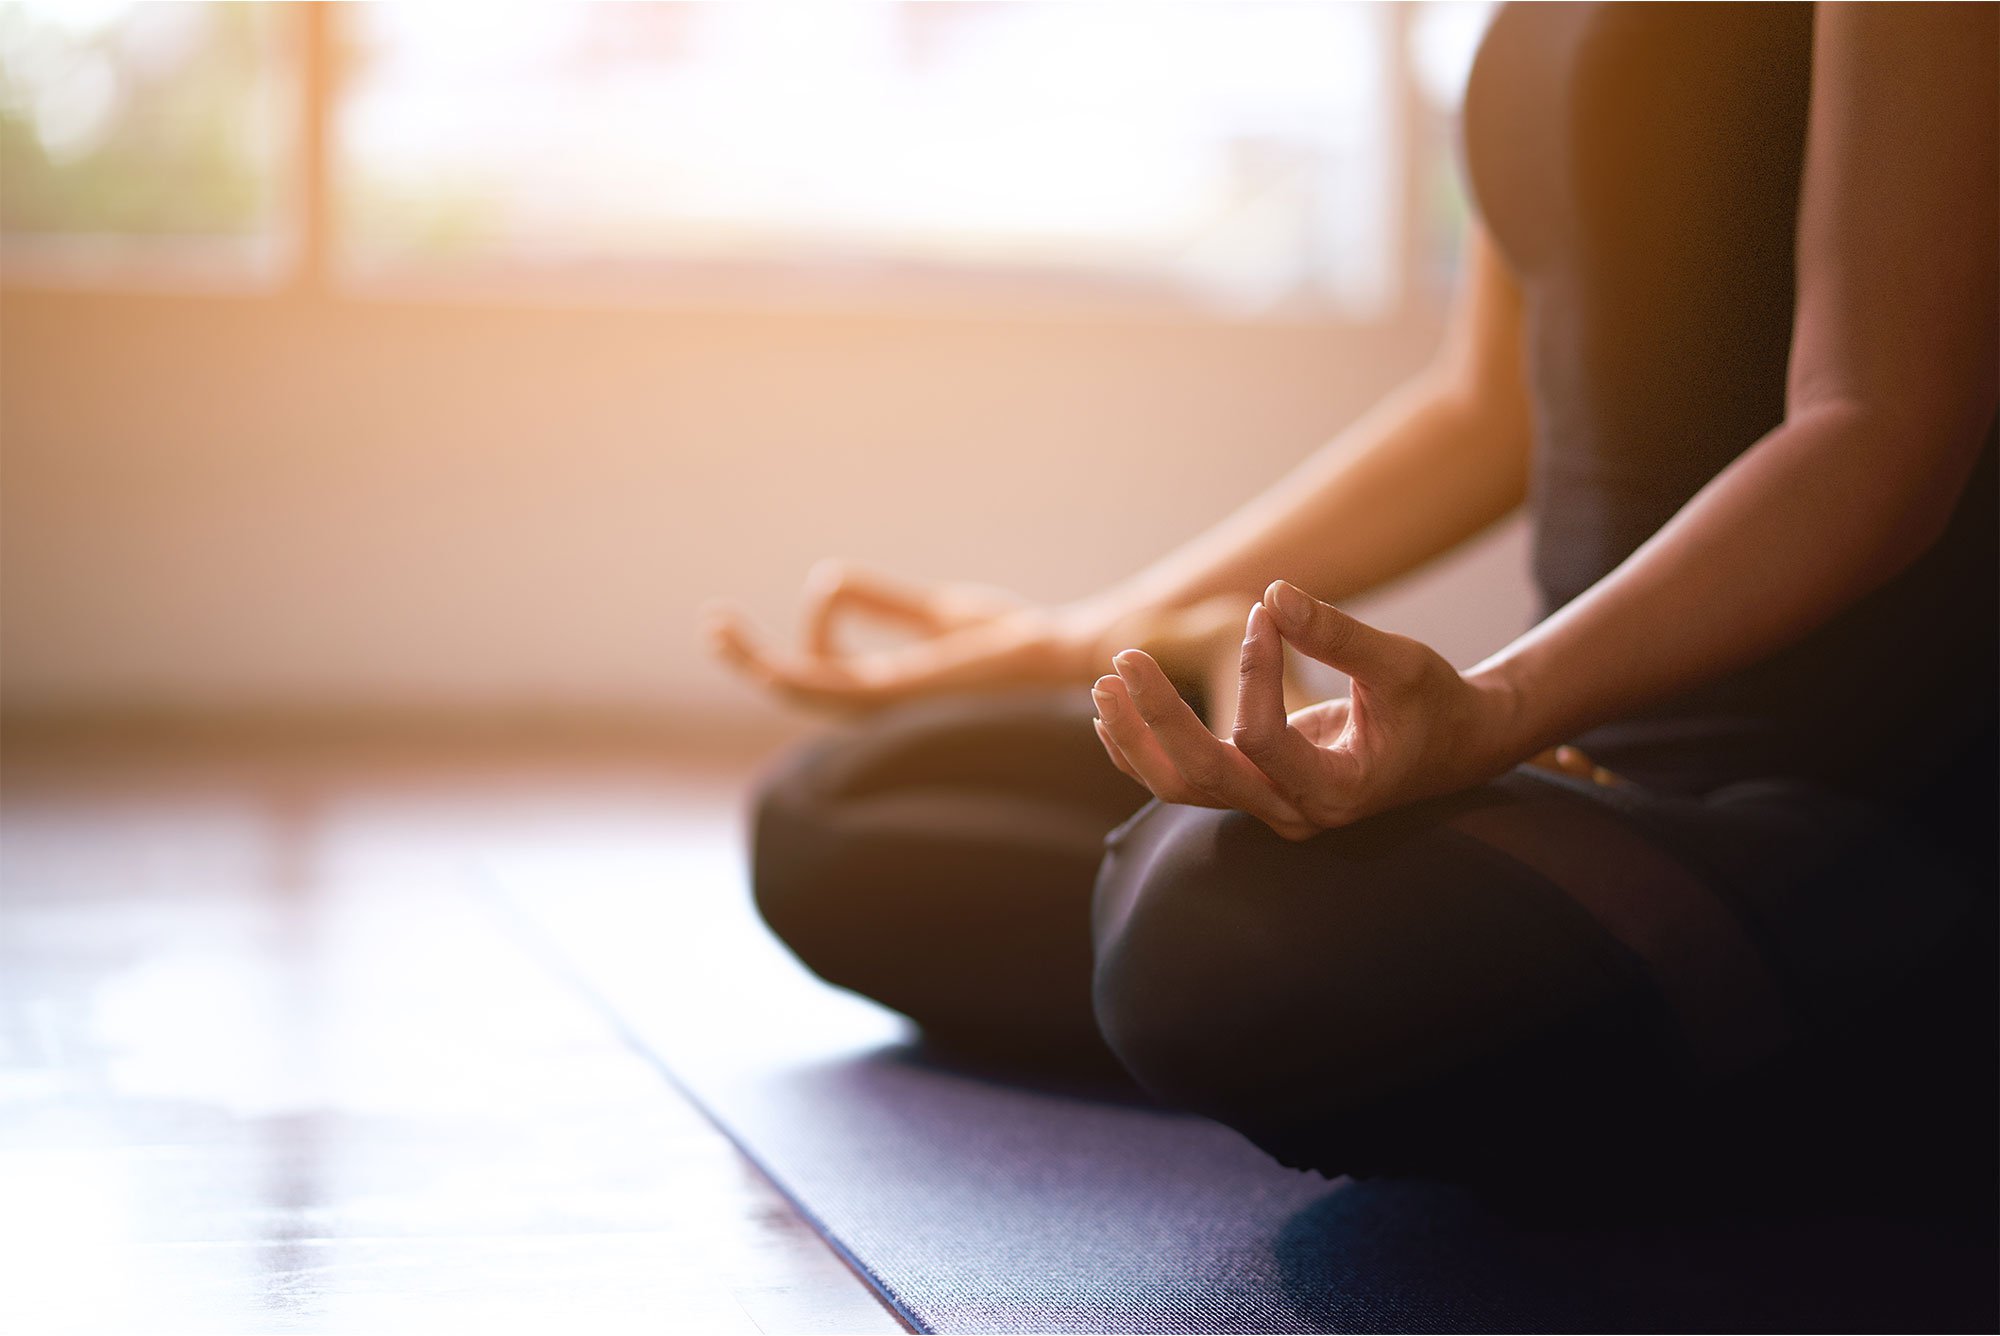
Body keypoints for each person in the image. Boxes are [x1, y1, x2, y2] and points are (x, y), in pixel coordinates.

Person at [705, 2, 1997, 1188]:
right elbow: (1485, 406)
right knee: (844, 816)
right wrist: (1103, 634)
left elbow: (1872, 426)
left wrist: (1491, 709)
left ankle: (1833, 1008)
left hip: (1842, 806)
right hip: (1575, 766)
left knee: (1215, 919)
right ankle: (1474, 1015)